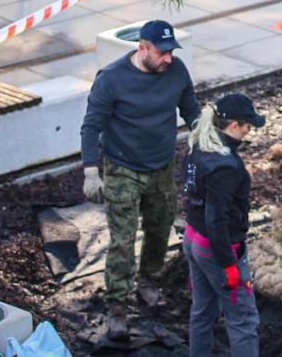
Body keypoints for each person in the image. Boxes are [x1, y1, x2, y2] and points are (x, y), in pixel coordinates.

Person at [80, 19, 200, 340]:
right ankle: (117, 305)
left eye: (171, 52)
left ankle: (148, 280)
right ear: (142, 48)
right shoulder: (112, 79)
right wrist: (91, 171)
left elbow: (192, 111)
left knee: (160, 229)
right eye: (162, 53)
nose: (168, 59)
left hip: (161, 166)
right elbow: (91, 126)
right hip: (122, 168)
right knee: (122, 239)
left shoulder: (176, 72)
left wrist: (205, 142)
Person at [183, 92, 265, 357]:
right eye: (247, 126)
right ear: (233, 126)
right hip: (216, 249)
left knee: (202, 311)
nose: (248, 132)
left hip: (192, 238)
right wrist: (229, 264)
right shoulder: (226, 167)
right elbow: (216, 219)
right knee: (243, 319)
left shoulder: (199, 145)